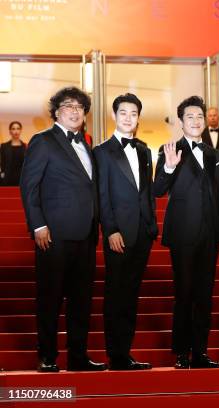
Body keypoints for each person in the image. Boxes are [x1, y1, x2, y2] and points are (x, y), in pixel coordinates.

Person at [19, 87, 106, 372]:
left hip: (85, 235)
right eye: (68, 105)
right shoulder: (43, 141)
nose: (75, 110)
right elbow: (29, 186)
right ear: (56, 111)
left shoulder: (87, 145)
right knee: (50, 298)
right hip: (53, 235)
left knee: (81, 302)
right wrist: (38, 225)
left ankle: (78, 357)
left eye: (80, 106)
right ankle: (47, 356)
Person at [153, 96, 219, 369]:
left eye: (200, 117)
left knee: (204, 296)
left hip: (210, 234)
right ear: (181, 122)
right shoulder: (169, 149)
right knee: (184, 294)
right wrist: (169, 166)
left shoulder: (217, 155)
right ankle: (182, 353)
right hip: (183, 233)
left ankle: (200, 352)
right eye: (190, 117)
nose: (196, 121)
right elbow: (157, 190)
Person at [93, 93, 157, 370]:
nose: (128, 118)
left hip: (142, 232)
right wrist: (110, 230)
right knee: (116, 293)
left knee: (131, 294)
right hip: (118, 233)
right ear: (114, 116)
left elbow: (147, 192)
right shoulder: (101, 151)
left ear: (138, 118)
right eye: (123, 113)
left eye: (133, 113)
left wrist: (151, 225)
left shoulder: (144, 150)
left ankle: (125, 353)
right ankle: (115, 355)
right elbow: (102, 195)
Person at [0, 121, 26, 186]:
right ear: (10, 131)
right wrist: (2, 174)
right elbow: (2, 163)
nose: (16, 131)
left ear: (21, 130)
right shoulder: (4, 146)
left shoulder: (26, 147)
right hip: (7, 179)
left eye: (18, 128)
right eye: (13, 129)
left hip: (22, 179)